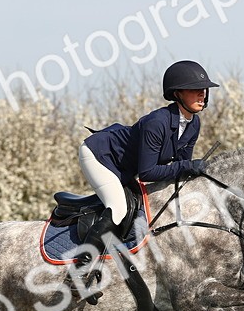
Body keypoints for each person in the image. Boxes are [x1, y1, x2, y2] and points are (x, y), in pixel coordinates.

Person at [76, 60, 219, 253]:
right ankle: (83, 260)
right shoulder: (157, 122)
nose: (202, 94)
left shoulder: (194, 124)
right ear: (177, 94)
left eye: (203, 89)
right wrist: (188, 166)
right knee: (118, 208)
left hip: (126, 167)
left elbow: (181, 166)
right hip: (100, 155)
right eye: (195, 90)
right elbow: (147, 173)